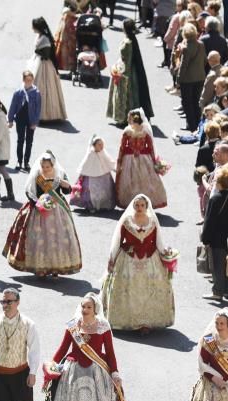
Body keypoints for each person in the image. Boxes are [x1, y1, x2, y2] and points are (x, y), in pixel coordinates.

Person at [36, 293, 128, 401]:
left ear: (95, 309)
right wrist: (52, 365)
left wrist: (115, 373)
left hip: (96, 373)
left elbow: (110, 352)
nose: (85, 310)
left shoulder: (103, 326)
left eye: (88, 307)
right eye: (83, 306)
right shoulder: (73, 326)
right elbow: (63, 348)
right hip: (73, 373)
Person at [101, 194, 176, 332]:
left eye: (142, 205)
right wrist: (111, 258)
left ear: (146, 206)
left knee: (150, 290)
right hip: (128, 260)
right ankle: (129, 320)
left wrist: (167, 253)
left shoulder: (153, 221)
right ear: (133, 206)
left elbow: (159, 242)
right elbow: (117, 241)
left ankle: (147, 322)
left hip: (150, 260)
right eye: (137, 205)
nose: (139, 208)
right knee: (128, 290)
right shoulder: (126, 222)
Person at [2, 151, 82, 277]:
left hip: (57, 212)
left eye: (48, 167)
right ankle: (40, 267)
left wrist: (65, 184)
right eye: (43, 166)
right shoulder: (37, 176)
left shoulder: (59, 175)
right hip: (39, 211)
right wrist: (39, 202)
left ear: (52, 166)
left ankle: (56, 268)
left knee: (58, 239)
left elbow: (66, 191)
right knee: (39, 239)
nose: (45, 169)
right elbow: (29, 192)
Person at [201, 169, 228, 302]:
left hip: (218, 239)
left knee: (218, 266)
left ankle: (218, 291)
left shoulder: (215, 199)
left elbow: (209, 221)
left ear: (219, 183)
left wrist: (205, 238)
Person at [115, 110, 167, 209]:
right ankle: (137, 203)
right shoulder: (130, 131)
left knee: (138, 181)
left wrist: (120, 161)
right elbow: (123, 147)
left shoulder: (138, 131)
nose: (127, 120)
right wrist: (152, 160)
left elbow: (123, 148)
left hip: (135, 159)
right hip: (138, 159)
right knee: (138, 181)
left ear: (134, 120)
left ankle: (141, 203)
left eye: (129, 118)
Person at [107, 20, 154, 124]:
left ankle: (124, 118)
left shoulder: (128, 42)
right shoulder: (131, 39)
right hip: (127, 68)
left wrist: (118, 71)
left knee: (126, 96)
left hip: (126, 71)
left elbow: (126, 62)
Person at [70, 135, 117, 212]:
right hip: (91, 177)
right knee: (91, 191)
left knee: (105, 190)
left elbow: (109, 161)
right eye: (99, 145)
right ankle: (91, 206)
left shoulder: (103, 152)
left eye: (102, 144)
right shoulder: (90, 154)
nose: (101, 146)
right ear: (94, 145)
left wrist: (116, 169)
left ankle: (102, 205)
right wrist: (81, 175)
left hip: (104, 174)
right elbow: (85, 165)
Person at [7, 71, 41, 172]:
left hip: (31, 119)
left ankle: (26, 162)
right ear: (23, 80)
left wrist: (35, 122)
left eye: (31, 80)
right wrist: (10, 120)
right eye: (27, 80)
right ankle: (19, 161)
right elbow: (13, 106)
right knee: (20, 140)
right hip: (20, 118)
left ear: (33, 80)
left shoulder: (36, 93)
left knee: (29, 141)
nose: (29, 82)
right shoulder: (18, 92)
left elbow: (38, 109)